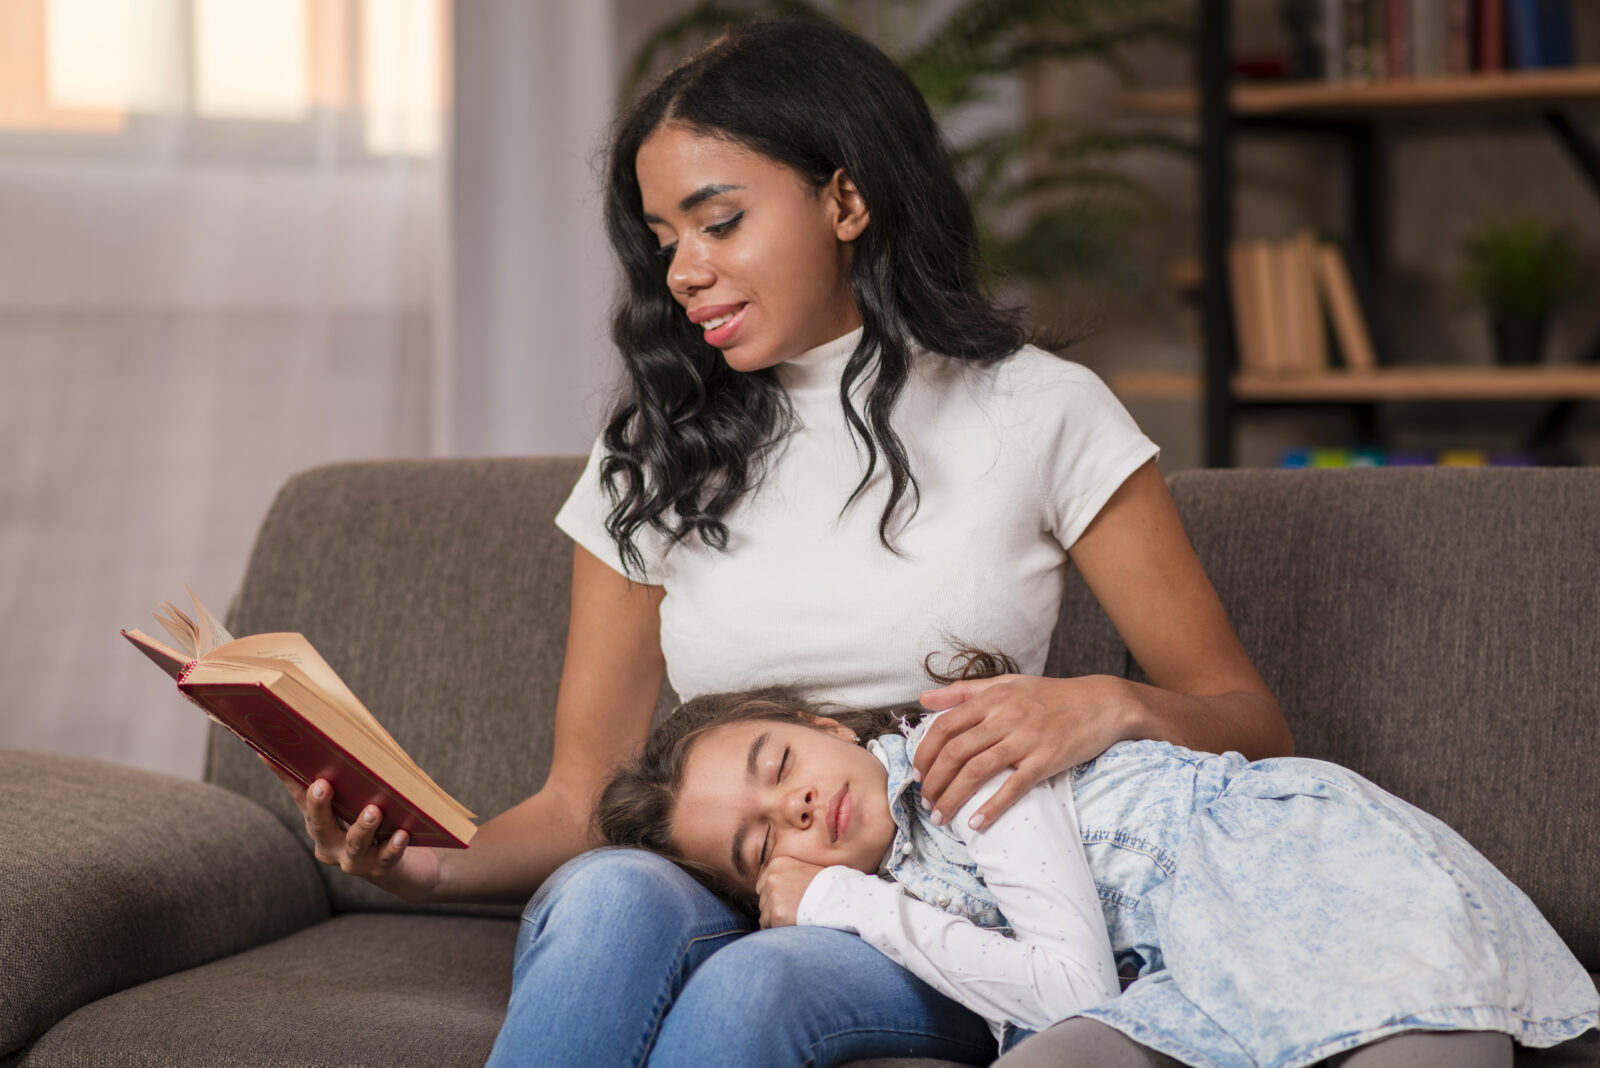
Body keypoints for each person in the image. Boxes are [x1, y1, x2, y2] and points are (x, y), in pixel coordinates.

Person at [269, 16, 1298, 1066]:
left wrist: (1103, 704)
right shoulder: (651, 448)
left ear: (845, 199)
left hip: (951, 902)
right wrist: (424, 868)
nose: (682, 272)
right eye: (664, 240)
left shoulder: (1044, 412)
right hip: (716, 885)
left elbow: (1250, 723)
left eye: (718, 222)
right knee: (611, 893)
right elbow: (583, 801)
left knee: (758, 984)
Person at [594, 652, 1600, 1068]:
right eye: (761, 840)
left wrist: (843, 902)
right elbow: (1059, 1006)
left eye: (778, 764)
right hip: (1175, 969)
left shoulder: (963, 758)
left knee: (1407, 1029)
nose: (795, 806)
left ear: (818, 723)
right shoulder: (913, 882)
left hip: (1312, 885)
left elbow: (1064, 979)